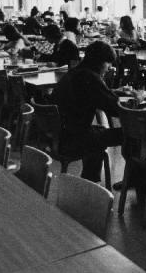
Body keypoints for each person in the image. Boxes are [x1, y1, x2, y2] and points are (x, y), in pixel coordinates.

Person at [51, 41, 136, 182]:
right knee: (133, 134)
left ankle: (90, 179)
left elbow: (93, 95)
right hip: (74, 139)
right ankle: (135, 178)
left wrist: (113, 92)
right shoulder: (90, 77)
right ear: (99, 62)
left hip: (61, 135)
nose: (109, 68)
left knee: (99, 132)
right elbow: (115, 109)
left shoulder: (75, 72)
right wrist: (136, 101)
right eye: (108, 63)